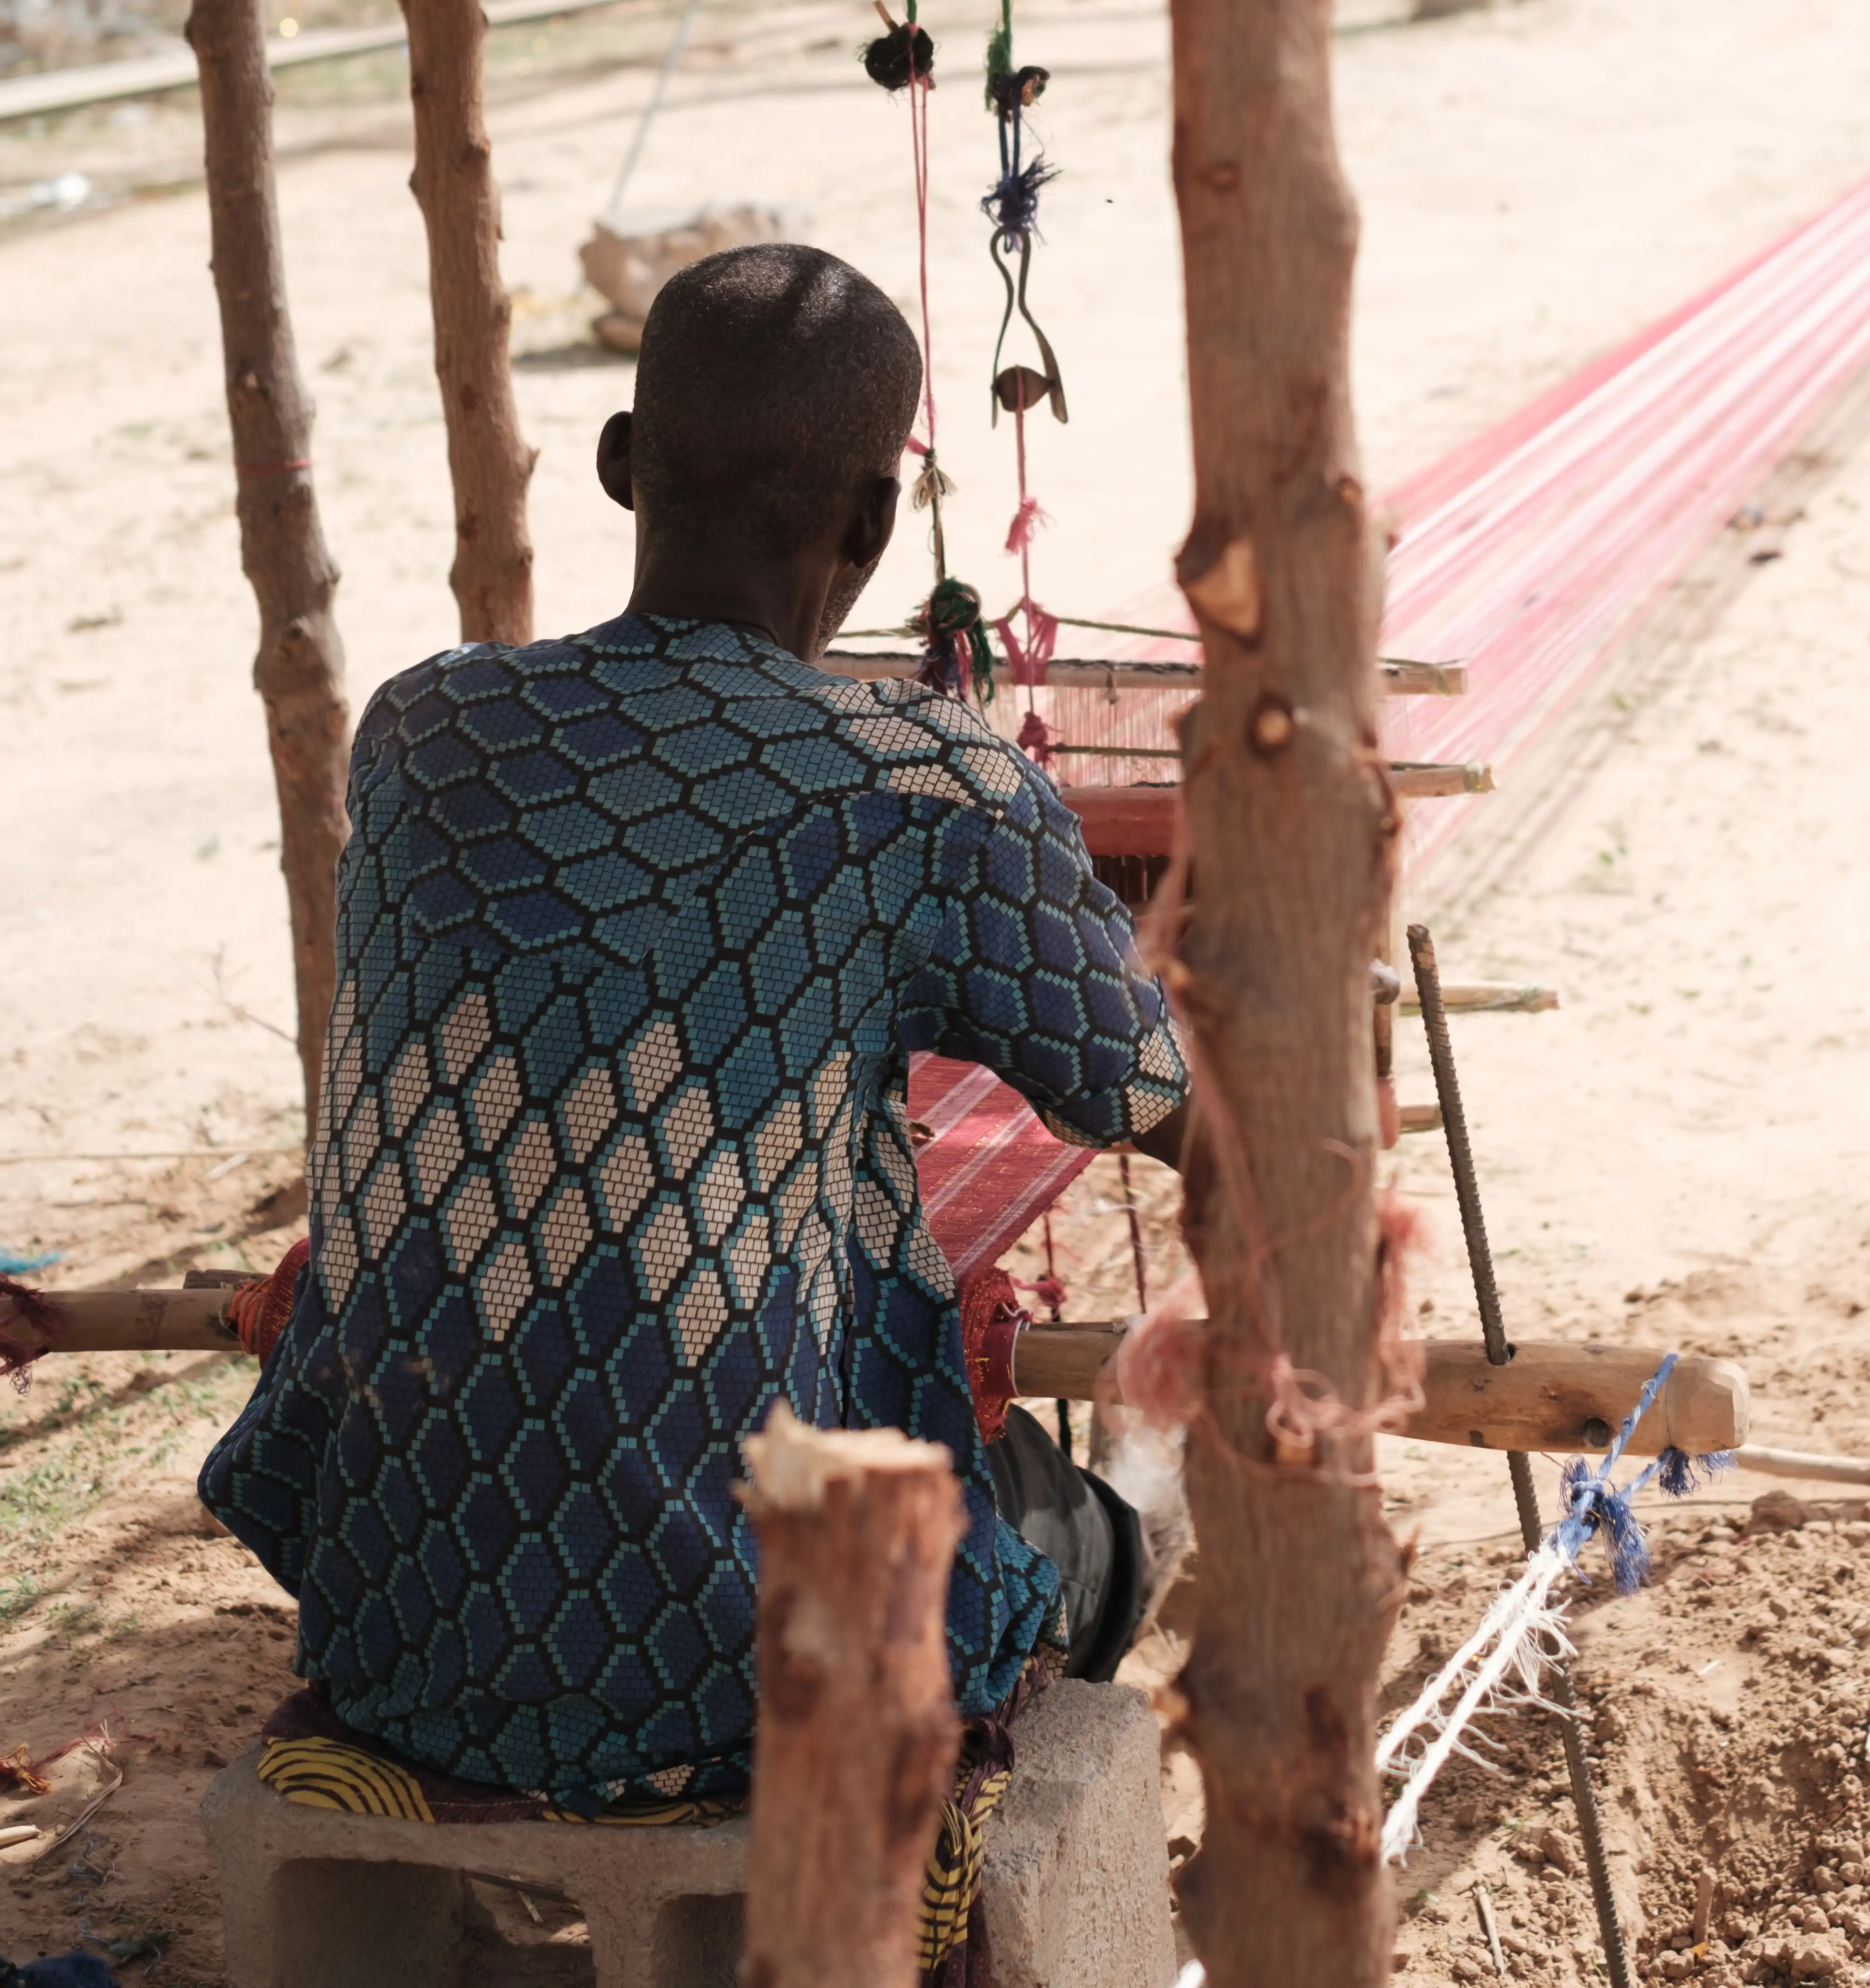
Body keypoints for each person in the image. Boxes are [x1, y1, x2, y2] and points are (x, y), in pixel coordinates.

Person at [201, 244, 1188, 1811]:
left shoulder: (420, 731)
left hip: (395, 1621)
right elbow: (1151, 1096)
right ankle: (1126, 1543)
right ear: (872, 525)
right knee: (1063, 1533)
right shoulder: (920, 788)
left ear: (617, 467)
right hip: (734, 1666)